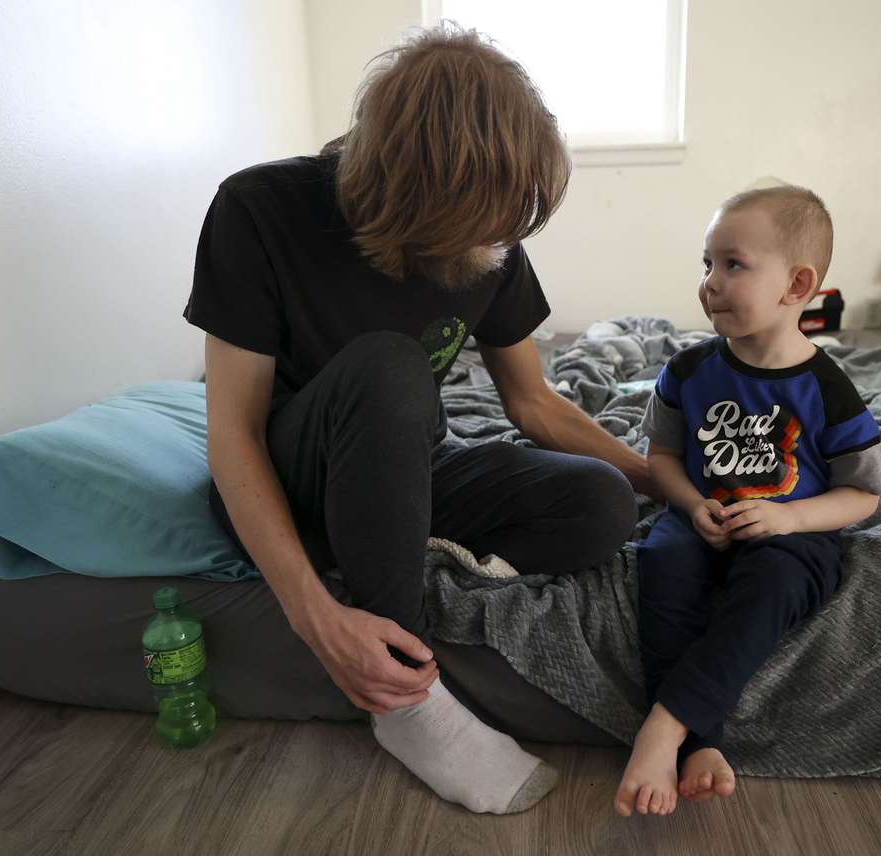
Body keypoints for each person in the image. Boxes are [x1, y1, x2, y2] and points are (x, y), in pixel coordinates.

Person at [183, 24, 652, 815]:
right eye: (478, 222)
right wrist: (317, 617)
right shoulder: (258, 209)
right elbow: (232, 434)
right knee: (390, 365)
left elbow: (532, 402)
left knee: (602, 502)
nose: (497, 239)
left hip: (409, 465)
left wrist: (659, 479)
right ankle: (403, 698)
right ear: (412, 193)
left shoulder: (492, 237)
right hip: (293, 482)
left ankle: (396, 543)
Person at [613, 186, 881, 816]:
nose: (711, 282)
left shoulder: (828, 389)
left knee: (772, 584)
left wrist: (790, 517)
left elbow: (863, 495)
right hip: (699, 518)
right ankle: (700, 742)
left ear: (797, 285)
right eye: (707, 263)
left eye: (733, 264)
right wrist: (691, 504)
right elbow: (661, 458)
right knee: (663, 561)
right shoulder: (688, 372)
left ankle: (662, 727)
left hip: (792, 534)